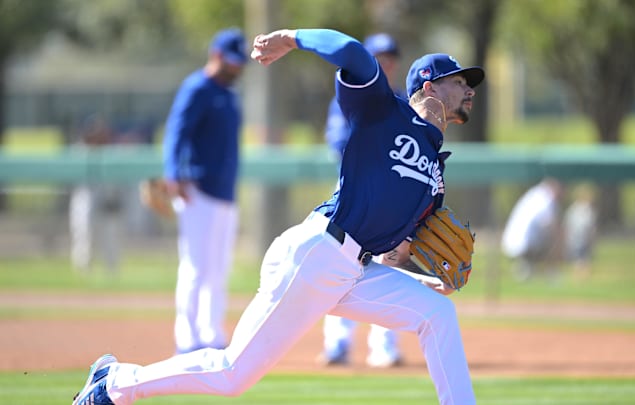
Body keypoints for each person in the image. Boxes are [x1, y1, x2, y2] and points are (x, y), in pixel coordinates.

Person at [71, 27, 484, 405]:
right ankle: (114, 382)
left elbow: (395, 246)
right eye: (461, 82)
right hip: (317, 253)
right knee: (232, 375)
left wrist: (416, 277)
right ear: (429, 85)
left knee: (437, 313)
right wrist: (291, 38)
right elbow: (352, 52)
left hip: (352, 270)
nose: (470, 91)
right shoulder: (384, 110)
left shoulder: (435, 168)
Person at [320, 32, 405, 368]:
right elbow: (341, 144)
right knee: (342, 266)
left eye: (390, 57)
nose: (386, 63)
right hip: (355, 195)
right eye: (379, 57)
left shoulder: (402, 100)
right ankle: (338, 343)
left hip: (392, 198)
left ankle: (383, 346)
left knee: (390, 268)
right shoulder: (350, 97)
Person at [162, 28, 247, 354]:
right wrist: (173, 173)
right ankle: (187, 337)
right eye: (232, 60)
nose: (236, 67)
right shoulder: (197, 87)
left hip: (225, 192)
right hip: (197, 191)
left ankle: (211, 335)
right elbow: (176, 131)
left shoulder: (228, 94)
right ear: (216, 54)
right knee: (196, 266)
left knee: (219, 267)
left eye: (239, 62)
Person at [68, 114, 123, 274]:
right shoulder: (79, 151)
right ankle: (83, 272)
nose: (99, 134)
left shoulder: (112, 152)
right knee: (84, 236)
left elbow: (118, 182)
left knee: (111, 239)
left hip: (108, 200)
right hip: (86, 197)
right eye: (94, 131)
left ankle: (112, 272)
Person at [501, 177, 564, 281]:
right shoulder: (546, 199)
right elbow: (551, 226)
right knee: (554, 238)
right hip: (524, 245)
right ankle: (550, 272)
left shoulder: (536, 195)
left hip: (513, 243)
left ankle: (528, 268)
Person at [564, 185, 597, 279]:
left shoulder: (575, 209)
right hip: (579, 238)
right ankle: (581, 277)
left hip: (579, 238)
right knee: (581, 259)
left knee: (582, 258)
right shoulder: (582, 209)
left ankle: (582, 277)